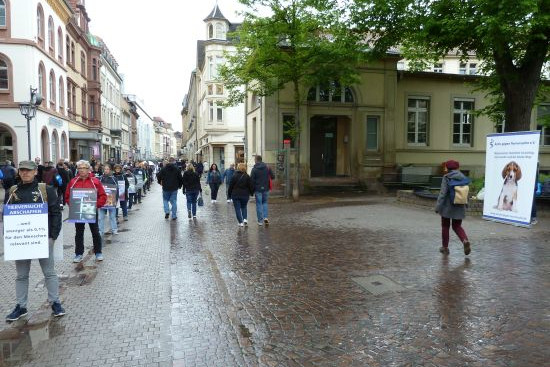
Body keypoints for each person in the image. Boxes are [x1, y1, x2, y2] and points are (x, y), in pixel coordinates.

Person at [5, 160, 65, 321]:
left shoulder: (45, 190)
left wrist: (52, 237)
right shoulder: (12, 191)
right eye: (22, 170)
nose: (25, 173)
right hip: (22, 241)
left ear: (35, 172)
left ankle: (55, 303)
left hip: (42, 239)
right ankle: (21, 306)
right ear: (19, 172)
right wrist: (10, 237)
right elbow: (7, 216)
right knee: (21, 275)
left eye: (28, 170)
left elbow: (56, 214)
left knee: (49, 273)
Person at [65, 160, 107, 262]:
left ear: (88, 169)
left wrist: (95, 205)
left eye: (84, 168)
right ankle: (78, 254)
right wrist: (74, 206)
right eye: (80, 168)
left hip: (91, 210)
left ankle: (98, 252)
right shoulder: (73, 181)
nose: (82, 170)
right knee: (79, 233)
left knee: (95, 232)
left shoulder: (95, 181)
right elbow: (67, 196)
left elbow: (103, 196)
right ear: (77, 169)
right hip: (78, 212)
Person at [435, 160, 471, 255]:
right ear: (457, 168)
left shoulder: (446, 177)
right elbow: (466, 193)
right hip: (460, 206)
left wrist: (438, 207)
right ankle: (465, 241)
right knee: (457, 226)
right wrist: (466, 204)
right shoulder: (463, 177)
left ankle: (445, 248)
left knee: (445, 226)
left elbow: (443, 193)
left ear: (447, 168)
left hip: (447, 206)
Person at [250, 155, 274, 226]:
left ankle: (260, 221)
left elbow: (251, 180)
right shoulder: (267, 167)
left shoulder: (254, 169)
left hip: (258, 189)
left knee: (259, 204)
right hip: (266, 188)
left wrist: (252, 190)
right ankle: (265, 217)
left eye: (254, 159)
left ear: (257, 160)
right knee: (265, 203)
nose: (254, 161)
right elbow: (273, 177)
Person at [98, 165, 119, 236]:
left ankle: (114, 230)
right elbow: (97, 189)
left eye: (107, 169)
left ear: (110, 170)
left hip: (111, 201)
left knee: (112, 217)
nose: (106, 170)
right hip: (102, 202)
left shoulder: (113, 178)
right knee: (101, 218)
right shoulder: (100, 178)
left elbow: (117, 189)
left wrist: (116, 199)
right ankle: (100, 231)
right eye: (105, 169)